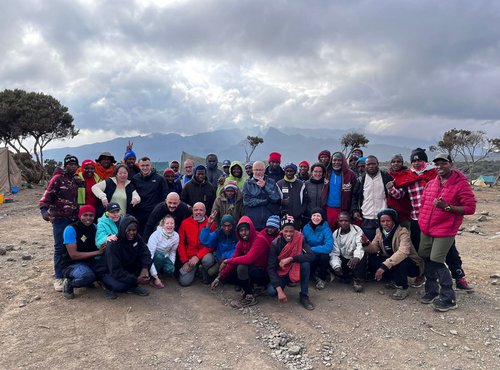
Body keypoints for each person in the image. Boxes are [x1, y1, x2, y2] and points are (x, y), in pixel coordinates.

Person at [393, 148, 471, 290]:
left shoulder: (434, 175)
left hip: (441, 221)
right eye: (414, 160)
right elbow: (400, 194)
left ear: (425, 161)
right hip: (418, 219)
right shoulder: (407, 177)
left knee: (448, 250)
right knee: (420, 249)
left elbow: (468, 205)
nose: (417, 163)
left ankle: (458, 276)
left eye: (419, 160)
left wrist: (447, 207)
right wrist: (391, 188)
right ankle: (423, 274)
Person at [418, 153, 476, 311]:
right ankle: (431, 290)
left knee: (437, 260)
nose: (439, 167)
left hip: (445, 229)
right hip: (426, 228)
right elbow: (424, 204)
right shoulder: (431, 183)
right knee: (427, 258)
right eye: (437, 164)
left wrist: (448, 207)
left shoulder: (460, 184)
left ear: (451, 164)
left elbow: (470, 208)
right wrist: (422, 219)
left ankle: (448, 297)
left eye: (443, 163)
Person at [211, 216, 272, 308]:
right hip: (253, 268)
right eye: (241, 230)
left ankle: (250, 296)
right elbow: (234, 260)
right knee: (229, 273)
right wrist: (219, 277)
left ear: (251, 229)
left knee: (241, 267)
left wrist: (227, 260)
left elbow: (248, 259)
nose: (244, 233)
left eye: (246, 230)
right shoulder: (241, 242)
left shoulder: (259, 239)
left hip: (264, 271)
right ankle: (251, 288)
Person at [39, 154, 80, 291]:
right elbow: (47, 196)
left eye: (75, 164)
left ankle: (68, 273)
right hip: (60, 219)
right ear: (65, 165)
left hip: (73, 219)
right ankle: (58, 277)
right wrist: (44, 211)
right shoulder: (57, 179)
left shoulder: (74, 180)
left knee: (71, 246)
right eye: (70, 164)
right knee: (60, 248)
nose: (73, 166)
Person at [363, 208, 423, 300]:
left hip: (412, 265)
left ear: (394, 221)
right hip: (392, 261)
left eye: (388, 221)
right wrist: (366, 243)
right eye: (382, 221)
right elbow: (374, 248)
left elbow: (403, 252)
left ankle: (402, 288)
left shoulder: (403, 232)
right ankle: (392, 279)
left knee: (400, 260)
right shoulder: (379, 232)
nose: (385, 224)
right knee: (374, 258)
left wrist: (384, 266)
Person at [267, 215, 316, 311]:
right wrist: (279, 290)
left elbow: (311, 255)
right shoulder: (275, 244)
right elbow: (271, 268)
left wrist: (291, 259)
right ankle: (282, 285)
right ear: (281, 231)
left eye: (291, 231)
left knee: (305, 264)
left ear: (295, 231)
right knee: (272, 292)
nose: (289, 234)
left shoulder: (300, 238)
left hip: (295, 268)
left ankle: (304, 296)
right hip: (282, 272)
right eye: (286, 231)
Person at [98, 215, 152, 299]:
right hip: (109, 270)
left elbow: (146, 253)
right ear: (123, 229)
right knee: (120, 287)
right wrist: (136, 280)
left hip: (126, 266)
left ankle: (131, 285)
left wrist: (145, 269)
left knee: (145, 263)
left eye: (134, 230)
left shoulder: (137, 238)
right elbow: (115, 270)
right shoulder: (113, 244)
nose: (132, 233)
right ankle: (106, 284)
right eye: (129, 230)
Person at [351, 155, 399, 241]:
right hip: (366, 218)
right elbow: (354, 196)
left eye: (373, 164)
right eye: (368, 164)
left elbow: (395, 194)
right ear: (365, 165)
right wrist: (355, 210)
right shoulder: (361, 179)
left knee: (384, 243)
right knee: (369, 244)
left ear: (378, 164)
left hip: (383, 217)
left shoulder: (386, 177)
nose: (371, 166)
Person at [61, 205, 103, 299]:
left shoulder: (95, 227)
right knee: (87, 276)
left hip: (90, 261)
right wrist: (98, 252)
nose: (88, 218)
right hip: (72, 264)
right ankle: (69, 283)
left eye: (91, 215)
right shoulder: (71, 229)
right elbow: (74, 255)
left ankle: (91, 279)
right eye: (85, 215)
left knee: (107, 270)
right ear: (80, 216)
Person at [177, 202, 215, 286]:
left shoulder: (211, 223)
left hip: (204, 255)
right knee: (184, 282)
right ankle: (196, 270)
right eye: (196, 210)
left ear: (205, 211)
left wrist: (198, 256)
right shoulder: (185, 223)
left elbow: (211, 244)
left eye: (201, 210)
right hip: (189, 257)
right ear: (192, 211)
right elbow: (180, 243)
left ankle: (204, 272)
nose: (198, 212)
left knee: (209, 259)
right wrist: (185, 261)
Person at [330, 211, 368, 292]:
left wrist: (356, 257)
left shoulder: (357, 230)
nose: (343, 223)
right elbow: (334, 253)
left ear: (350, 221)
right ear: (338, 221)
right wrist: (336, 266)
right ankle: (346, 276)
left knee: (362, 256)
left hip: (354, 256)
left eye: (346, 221)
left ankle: (358, 280)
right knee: (333, 264)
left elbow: (360, 246)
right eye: (341, 221)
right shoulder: (335, 234)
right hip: (344, 258)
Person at [132, 157, 168, 235]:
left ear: (151, 165)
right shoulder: (135, 179)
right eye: (142, 165)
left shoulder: (160, 179)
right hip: (140, 215)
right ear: (139, 166)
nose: (145, 168)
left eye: (147, 165)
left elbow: (165, 196)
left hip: (155, 214)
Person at [321, 151, 357, 231]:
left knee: (343, 230)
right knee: (331, 230)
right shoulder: (327, 172)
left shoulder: (350, 174)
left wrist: (353, 209)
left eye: (339, 160)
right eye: (334, 160)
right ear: (331, 161)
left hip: (344, 208)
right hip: (329, 207)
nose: (336, 162)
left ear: (343, 161)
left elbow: (354, 193)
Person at [242, 161, 281, 230]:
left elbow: (276, 198)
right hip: (253, 221)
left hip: (269, 222)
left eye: (260, 170)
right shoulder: (247, 184)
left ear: (264, 171)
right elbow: (247, 201)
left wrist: (264, 187)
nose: (258, 172)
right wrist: (264, 201)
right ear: (253, 170)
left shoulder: (271, 182)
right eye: (256, 170)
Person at [302, 208, 333, 290]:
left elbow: (329, 247)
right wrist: (308, 250)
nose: (316, 218)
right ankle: (310, 275)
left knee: (324, 257)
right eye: (314, 215)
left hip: (320, 253)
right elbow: (302, 242)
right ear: (311, 217)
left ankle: (322, 279)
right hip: (309, 253)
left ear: (322, 217)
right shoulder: (306, 228)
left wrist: (312, 249)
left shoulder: (326, 229)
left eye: (318, 216)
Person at [200, 212, 237, 279]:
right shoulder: (218, 233)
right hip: (220, 260)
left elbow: (238, 250)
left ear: (232, 225)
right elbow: (205, 241)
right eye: (224, 226)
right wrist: (208, 224)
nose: (226, 228)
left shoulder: (236, 234)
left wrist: (225, 256)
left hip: (232, 261)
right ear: (221, 225)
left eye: (229, 226)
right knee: (211, 272)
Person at [147, 214, 179, 289]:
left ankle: (159, 273)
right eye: (167, 223)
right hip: (154, 257)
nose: (169, 225)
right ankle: (153, 277)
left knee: (170, 269)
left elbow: (173, 251)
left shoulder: (176, 236)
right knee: (159, 256)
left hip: (165, 256)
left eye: (172, 223)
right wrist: (156, 277)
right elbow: (149, 255)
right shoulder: (155, 235)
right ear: (163, 225)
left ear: (174, 225)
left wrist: (171, 264)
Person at [276, 163, 307, 229]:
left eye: (291, 171)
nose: (289, 173)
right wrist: (282, 202)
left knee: (296, 236)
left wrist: (300, 211)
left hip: (297, 217)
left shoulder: (301, 184)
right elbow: (275, 200)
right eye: (287, 171)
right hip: (284, 217)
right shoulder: (279, 184)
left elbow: (305, 200)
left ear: (295, 172)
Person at [386, 154, 412, 230]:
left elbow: (399, 195)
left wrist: (391, 188)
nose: (396, 164)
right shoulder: (387, 175)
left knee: (404, 234)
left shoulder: (406, 175)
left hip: (403, 212)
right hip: (390, 212)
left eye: (398, 161)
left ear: (402, 163)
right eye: (393, 162)